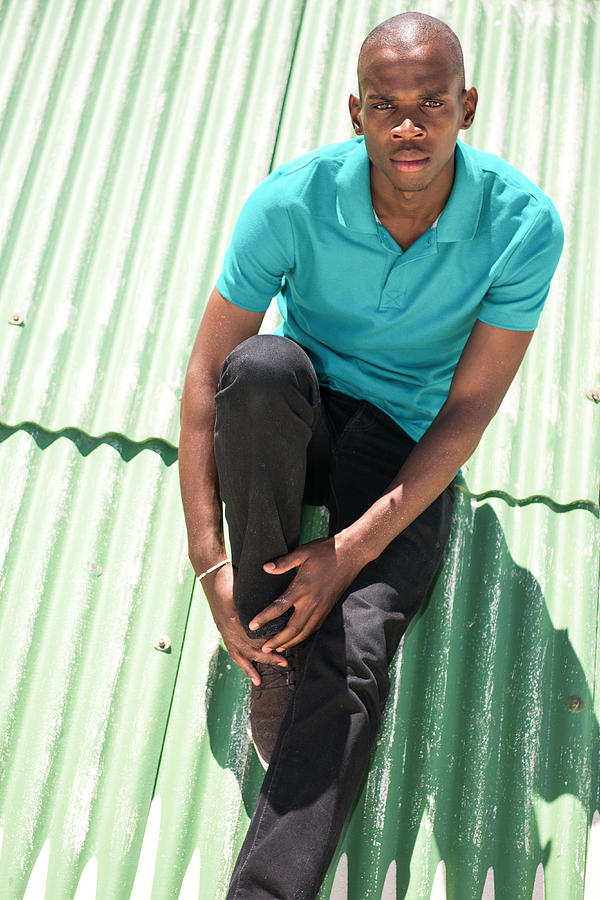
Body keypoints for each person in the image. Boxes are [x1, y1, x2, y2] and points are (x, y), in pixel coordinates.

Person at [178, 11, 564, 899]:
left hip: (408, 438)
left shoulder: (521, 226)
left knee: (357, 648)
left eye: (431, 103)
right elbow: (205, 375)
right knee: (260, 370)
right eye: (386, 105)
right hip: (305, 402)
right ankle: (268, 636)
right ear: (356, 112)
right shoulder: (292, 199)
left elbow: (469, 412)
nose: (409, 126)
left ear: (468, 107)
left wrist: (349, 551)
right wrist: (213, 566)